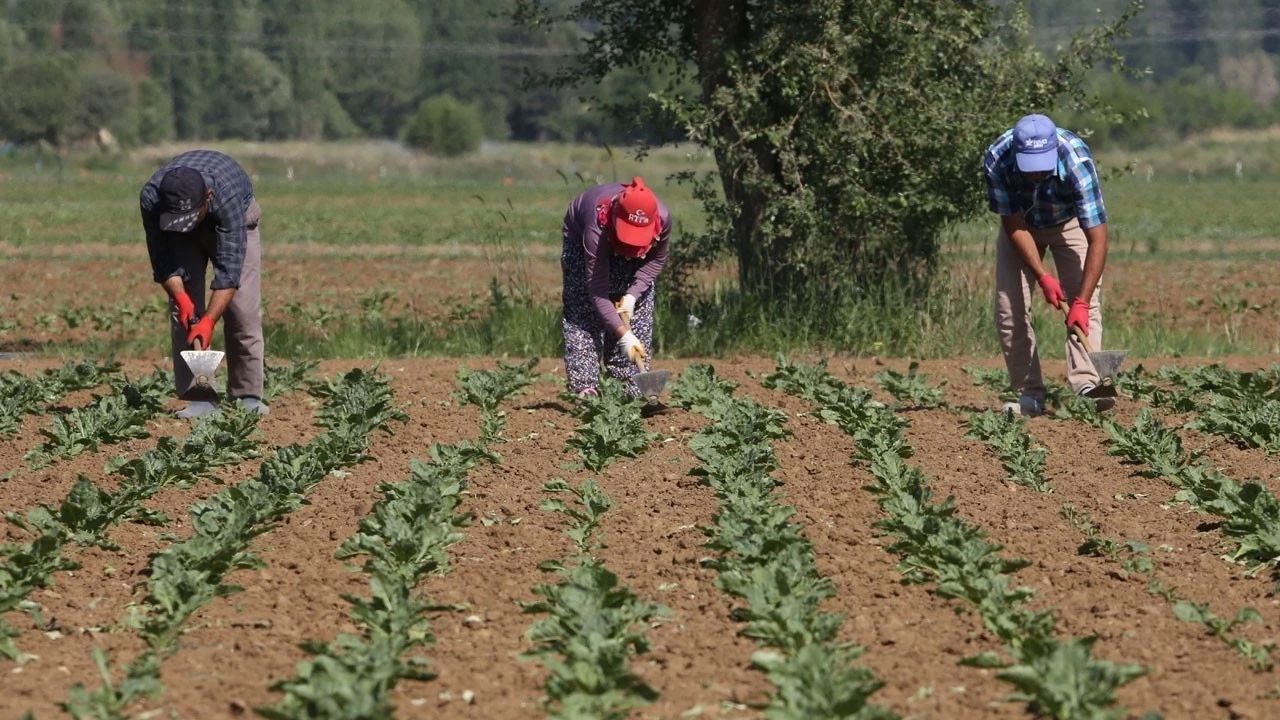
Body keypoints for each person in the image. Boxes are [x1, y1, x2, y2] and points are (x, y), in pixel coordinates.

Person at [983, 113, 1114, 417]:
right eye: (1030, 168)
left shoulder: (1076, 161)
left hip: (1070, 224)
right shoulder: (997, 160)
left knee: (1087, 305)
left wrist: (1078, 301)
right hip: (1024, 228)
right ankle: (1029, 395)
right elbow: (1013, 224)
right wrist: (1042, 276)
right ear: (1017, 154)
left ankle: (1089, 386)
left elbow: (1098, 239)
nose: (1036, 175)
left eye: (1042, 166)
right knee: (1009, 309)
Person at [140, 150, 266, 418]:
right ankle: (200, 397)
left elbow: (229, 273)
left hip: (237, 220)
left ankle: (248, 395)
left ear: (207, 198)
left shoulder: (226, 195)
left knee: (242, 311)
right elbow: (162, 259)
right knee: (185, 316)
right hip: (178, 233)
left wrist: (209, 320)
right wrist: (183, 300)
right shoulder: (152, 198)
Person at [560, 176, 671, 397]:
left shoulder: (663, 218)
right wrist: (624, 335)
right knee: (583, 313)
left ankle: (631, 389)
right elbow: (597, 289)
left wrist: (632, 295)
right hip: (585, 239)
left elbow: (656, 261)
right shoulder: (597, 226)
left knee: (639, 313)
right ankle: (586, 388)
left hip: (632, 244)